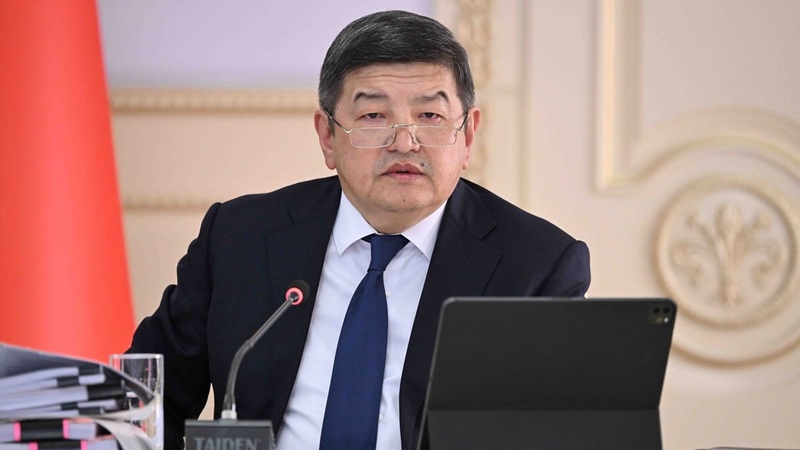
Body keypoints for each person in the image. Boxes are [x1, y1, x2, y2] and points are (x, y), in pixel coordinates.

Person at [127, 10, 590, 450]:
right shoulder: (240, 238)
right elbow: (142, 404)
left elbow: (558, 435)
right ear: (328, 136)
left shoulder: (534, 267)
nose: (404, 142)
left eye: (430, 116)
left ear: (467, 135)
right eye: (373, 116)